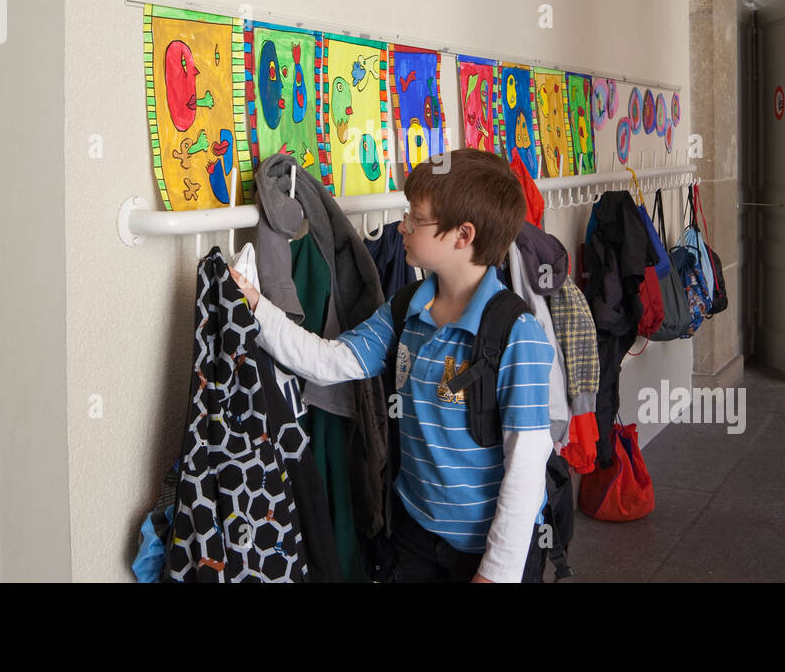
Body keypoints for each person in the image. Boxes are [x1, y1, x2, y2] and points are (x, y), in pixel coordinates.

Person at [230, 148, 555, 583]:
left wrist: (495, 574)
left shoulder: (518, 334)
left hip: (490, 553)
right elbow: (330, 361)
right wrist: (256, 305)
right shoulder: (406, 311)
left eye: (416, 219)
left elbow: (526, 469)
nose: (402, 226)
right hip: (415, 538)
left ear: (463, 235)